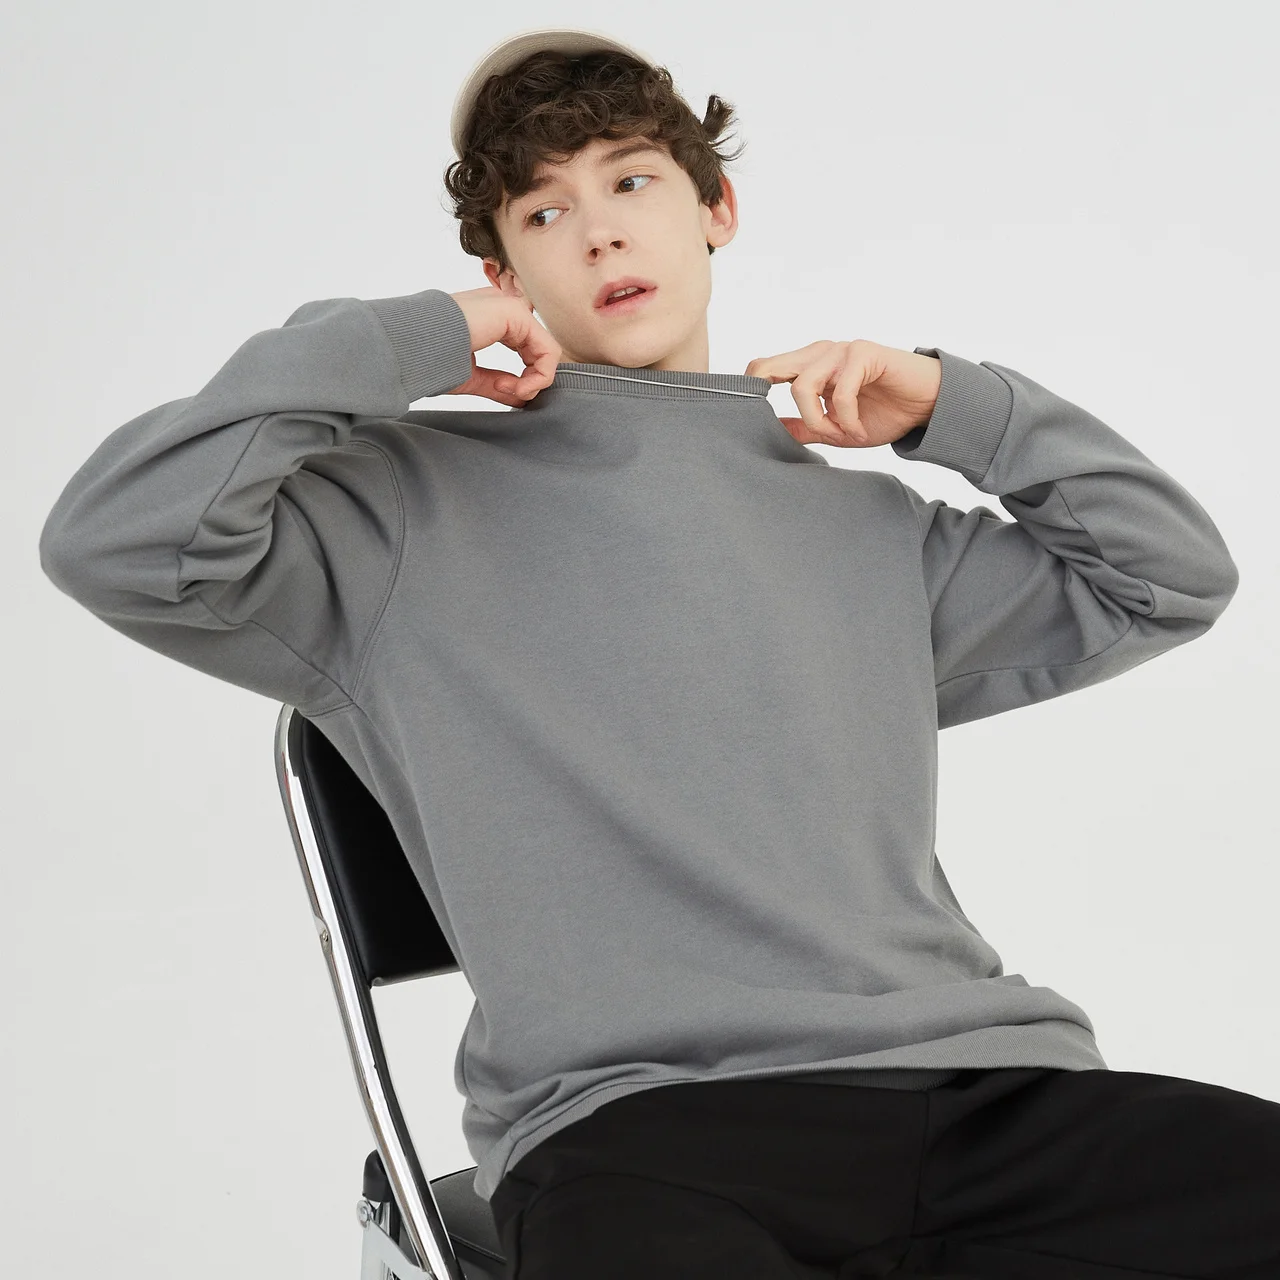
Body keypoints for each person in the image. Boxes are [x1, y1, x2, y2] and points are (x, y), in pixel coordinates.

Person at [38, 23, 1273, 1280]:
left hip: (982, 1095)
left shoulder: (868, 525)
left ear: (714, 208)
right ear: (501, 272)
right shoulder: (391, 511)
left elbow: (1168, 578)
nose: (599, 233)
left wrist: (956, 404)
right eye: (542, 211)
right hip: (641, 1131)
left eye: (630, 180)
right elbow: (115, 539)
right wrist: (402, 341)